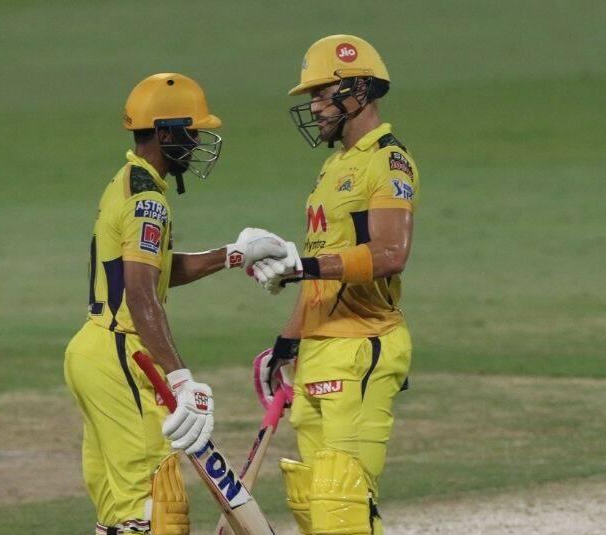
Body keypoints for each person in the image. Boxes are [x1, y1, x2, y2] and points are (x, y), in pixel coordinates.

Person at [64, 72, 289, 535]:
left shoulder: (128, 182)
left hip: (93, 352)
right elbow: (141, 293)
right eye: (192, 131)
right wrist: (181, 379)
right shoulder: (148, 201)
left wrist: (233, 255)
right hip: (123, 356)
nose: (198, 142)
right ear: (166, 134)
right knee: (156, 509)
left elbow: (155, 268)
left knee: (121, 515)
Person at [249, 35, 419, 535]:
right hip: (318, 350)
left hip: (363, 343)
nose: (314, 107)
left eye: (323, 94)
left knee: (342, 501)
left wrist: (303, 266)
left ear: (359, 90)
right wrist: (287, 343)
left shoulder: (388, 161)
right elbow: (321, 274)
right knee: (313, 502)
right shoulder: (333, 168)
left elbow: (391, 254)